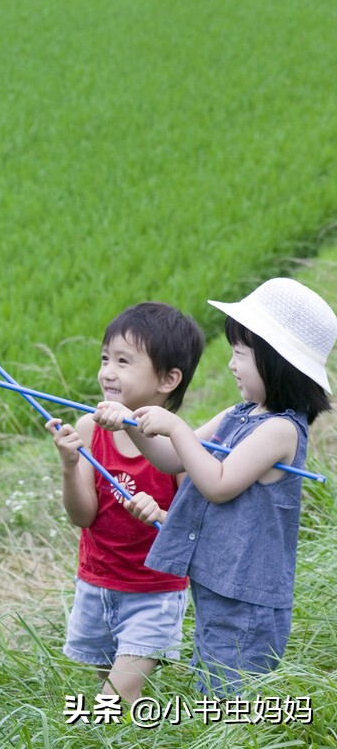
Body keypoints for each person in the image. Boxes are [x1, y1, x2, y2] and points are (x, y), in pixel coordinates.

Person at [96, 278, 337, 697]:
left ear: (275, 361)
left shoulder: (280, 431)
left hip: (248, 596)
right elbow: (173, 459)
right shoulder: (238, 414)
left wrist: (173, 425)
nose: (231, 365)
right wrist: (132, 422)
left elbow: (217, 484)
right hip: (219, 580)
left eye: (240, 354)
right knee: (214, 679)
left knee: (232, 693)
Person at [46, 302, 205, 702]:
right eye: (105, 358)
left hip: (154, 592)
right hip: (97, 583)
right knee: (108, 683)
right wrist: (69, 464)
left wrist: (163, 513)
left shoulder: (179, 444)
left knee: (118, 695)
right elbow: (83, 516)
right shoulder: (89, 429)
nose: (107, 372)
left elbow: (193, 528)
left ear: (168, 379)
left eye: (123, 361)